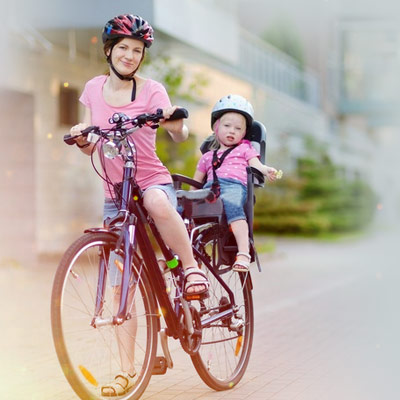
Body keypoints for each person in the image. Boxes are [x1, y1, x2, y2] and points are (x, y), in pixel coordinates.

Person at [69, 14, 209, 396]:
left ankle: (192, 270)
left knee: (156, 202)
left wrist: (175, 119)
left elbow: (179, 134)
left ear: (142, 56)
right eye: (123, 48)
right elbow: (93, 146)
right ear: (108, 51)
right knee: (122, 288)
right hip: (115, 193)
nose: (130, 56)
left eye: (137, 50)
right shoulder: (93, 89)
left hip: (150, 180)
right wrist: (83, 138)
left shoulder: (152, 90)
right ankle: (126, 372)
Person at [193, 94, 281, 272]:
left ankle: (243, 253)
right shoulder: (207, 156)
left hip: (234, 186)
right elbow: (195, 182)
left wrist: (267, 170)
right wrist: (188, 200)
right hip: (210, 189)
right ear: (216, 128)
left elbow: (256, 164)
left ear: (243, 133)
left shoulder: (244, 148)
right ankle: (175, 254)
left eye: (238, 128)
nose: (232, 131)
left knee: (233, 205)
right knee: (182, 211)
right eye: (227, 126)